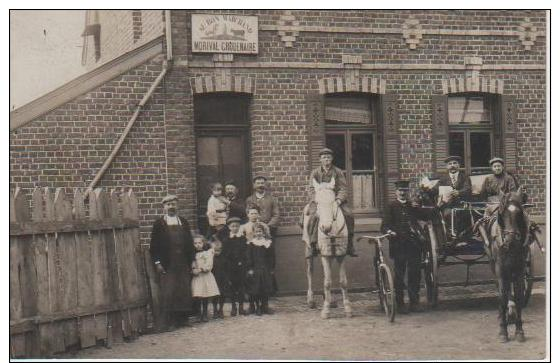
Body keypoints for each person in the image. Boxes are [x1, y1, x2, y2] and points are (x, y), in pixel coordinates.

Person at [382, 180, 430, 314]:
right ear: (396, 192)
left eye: (405, 190)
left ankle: (414, 303)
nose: (402, 193)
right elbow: (384, 225)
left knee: (414, 274)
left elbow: (426, 217)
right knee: (399, 275)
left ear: (408, 192)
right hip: (398, 245)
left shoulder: (412, 205)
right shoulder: (391, 206)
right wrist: (389, 232)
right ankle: (400, 303)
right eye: (400, 190)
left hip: (414, 245)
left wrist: (419, 206)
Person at [149, 194, 195, 331]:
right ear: (164, 207)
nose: (171, 207)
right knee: (169, 291)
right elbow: (154, 246)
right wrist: (157, 263)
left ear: (177, 206)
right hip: (168, 262)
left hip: (183, 261)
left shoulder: (184, 222)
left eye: (173, 204)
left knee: (184, 290)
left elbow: (190, 244)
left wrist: (192, 261)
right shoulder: (159, 224)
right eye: (168, 204)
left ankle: (183, 319)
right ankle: (169, 322)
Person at [308, 148, 357, 257]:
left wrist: (339, 200)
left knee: (349, 214)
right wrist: (315, 199)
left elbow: (343, 188)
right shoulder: (315, 172)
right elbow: (311, 188)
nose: (326, 159)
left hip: (335, 200)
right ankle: (312, 244)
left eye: (328, 157)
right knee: (312, 217)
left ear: (332, 158)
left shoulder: (337, 171)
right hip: (319, 200)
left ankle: (350, 244)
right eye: (324, 157)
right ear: (320, 159)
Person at [246, 176, 280, 294]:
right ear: (254, 185)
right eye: (258, 183)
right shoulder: (250, 199)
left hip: (267, 233)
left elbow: (276, 215)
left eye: (262, 183)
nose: (260, 185)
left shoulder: (272, 199)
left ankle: (269, 289)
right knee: (254, 258)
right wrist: (254, 228)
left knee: (267, 259)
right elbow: (248, 214)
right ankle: (254, 289)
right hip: (253, 233)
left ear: (265, 185)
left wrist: (266, 227)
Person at [434, 156, 472, 239]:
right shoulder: (443, 179)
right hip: (448, 205)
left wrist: (459, 192)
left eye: (455, 163)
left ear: (459, 165)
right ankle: (450, 236)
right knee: (447, 214)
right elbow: (435, 190)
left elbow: (468, 188)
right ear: (447, 167)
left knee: (463, 215)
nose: (452, 165)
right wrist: (426, 188)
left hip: (461, 204)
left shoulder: (464, 177)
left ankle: (462, 237)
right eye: (450, 164)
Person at [245, 222, 275, 316]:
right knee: (255, 289)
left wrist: (271, 268)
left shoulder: (267, 243)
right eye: (256, 231)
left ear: (263, 232)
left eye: (260, 231)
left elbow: (272, 257)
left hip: (265, 269)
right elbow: (248, 257)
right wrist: (250, 268)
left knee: (265, 288)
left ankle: (264, 306)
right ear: (253, 233)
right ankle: (256, 306)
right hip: (254, 270)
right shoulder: (251, 244)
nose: (258, 233)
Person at [191, 235, 220, 323]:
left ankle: (204, 314)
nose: (198, 245)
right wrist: (193, 270)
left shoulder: (207, 253)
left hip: (206, 276)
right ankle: (198, 314)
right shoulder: (193, 255)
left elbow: (209, 265)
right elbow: (192, 264)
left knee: (205, 296)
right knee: (198, 295)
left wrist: (201, 269)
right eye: (195, 243)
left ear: (203, 243)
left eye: (200, 243)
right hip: (197, 278)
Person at [222, 217, 248, 316]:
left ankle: (241, 307)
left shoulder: (243, 238)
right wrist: (229, 263)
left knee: (241, 287)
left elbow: (245, 252)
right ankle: (233, 307)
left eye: (237, 226)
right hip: (230, 267)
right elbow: (224, 254)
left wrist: (242, 262)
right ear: (229, 227)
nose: (235, 228)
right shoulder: (226, 239)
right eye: (233, 226)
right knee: (232, 287)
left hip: (241, 266)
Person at [210, 239, 228, 319]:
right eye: (215, 250)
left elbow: (227, 268)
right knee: (215, 295)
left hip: (223, 278)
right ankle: (214, 309)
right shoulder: (211, 258)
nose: (217, 252)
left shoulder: (224, 258)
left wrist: (227, 279)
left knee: (222, 294)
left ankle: (220, 309)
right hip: (214, 279)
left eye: (219, 250)